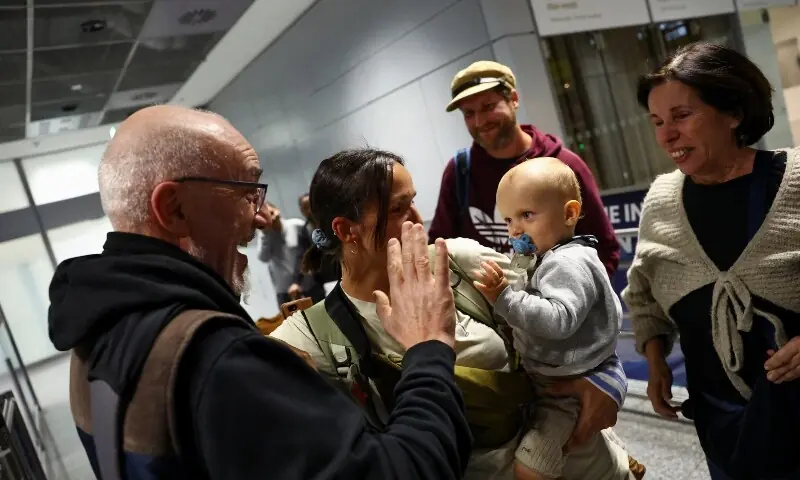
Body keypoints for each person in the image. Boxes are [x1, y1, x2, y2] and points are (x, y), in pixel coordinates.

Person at [47, 105, 473, 479]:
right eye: (246, 191)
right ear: (175, 208)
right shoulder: (220, 360)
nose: (259, 215)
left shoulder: (93, 339)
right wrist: (428, 348)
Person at [271, 148, 642, 479]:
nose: (419, 218)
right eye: (399, 208)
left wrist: (606, 380)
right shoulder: (314, 335)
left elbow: (576, 307)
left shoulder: (457, 261)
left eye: (414, 201)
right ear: (346, 230)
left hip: (593, 466)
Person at [622, 42, 800, 480]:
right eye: (658, 122)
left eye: (682, 116)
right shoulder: (662, 203)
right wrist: (655, 355)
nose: (667, 135)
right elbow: (643, 291)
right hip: (720, 422)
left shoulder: (794, 181)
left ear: (733, 111)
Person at [474, 158, 627, 480]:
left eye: (527, 215)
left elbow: (559, 319)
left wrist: (504, 297)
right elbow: (523, 286)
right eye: (508, 220)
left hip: (568, 383)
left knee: (531, 468)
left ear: (570, 213)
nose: (516, 229)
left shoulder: (567, 263)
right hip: (551, 371)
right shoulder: (549, 255)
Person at [428, 60, 620, 277]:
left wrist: (575, 302)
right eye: (469, 114)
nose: (480, 121)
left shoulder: (564, 165)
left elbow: (603, 248)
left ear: (514, 99)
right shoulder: (459, 173)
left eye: (488, 107)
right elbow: (439, 251)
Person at [259, 201, 326, 304]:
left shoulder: (297, 225)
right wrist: (266, 234)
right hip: (284, 292)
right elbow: (264, 258)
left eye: (271, 213)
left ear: (277, 210)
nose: (270, 218)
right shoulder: (264, 236)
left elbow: (310, 251)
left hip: (309, 286)